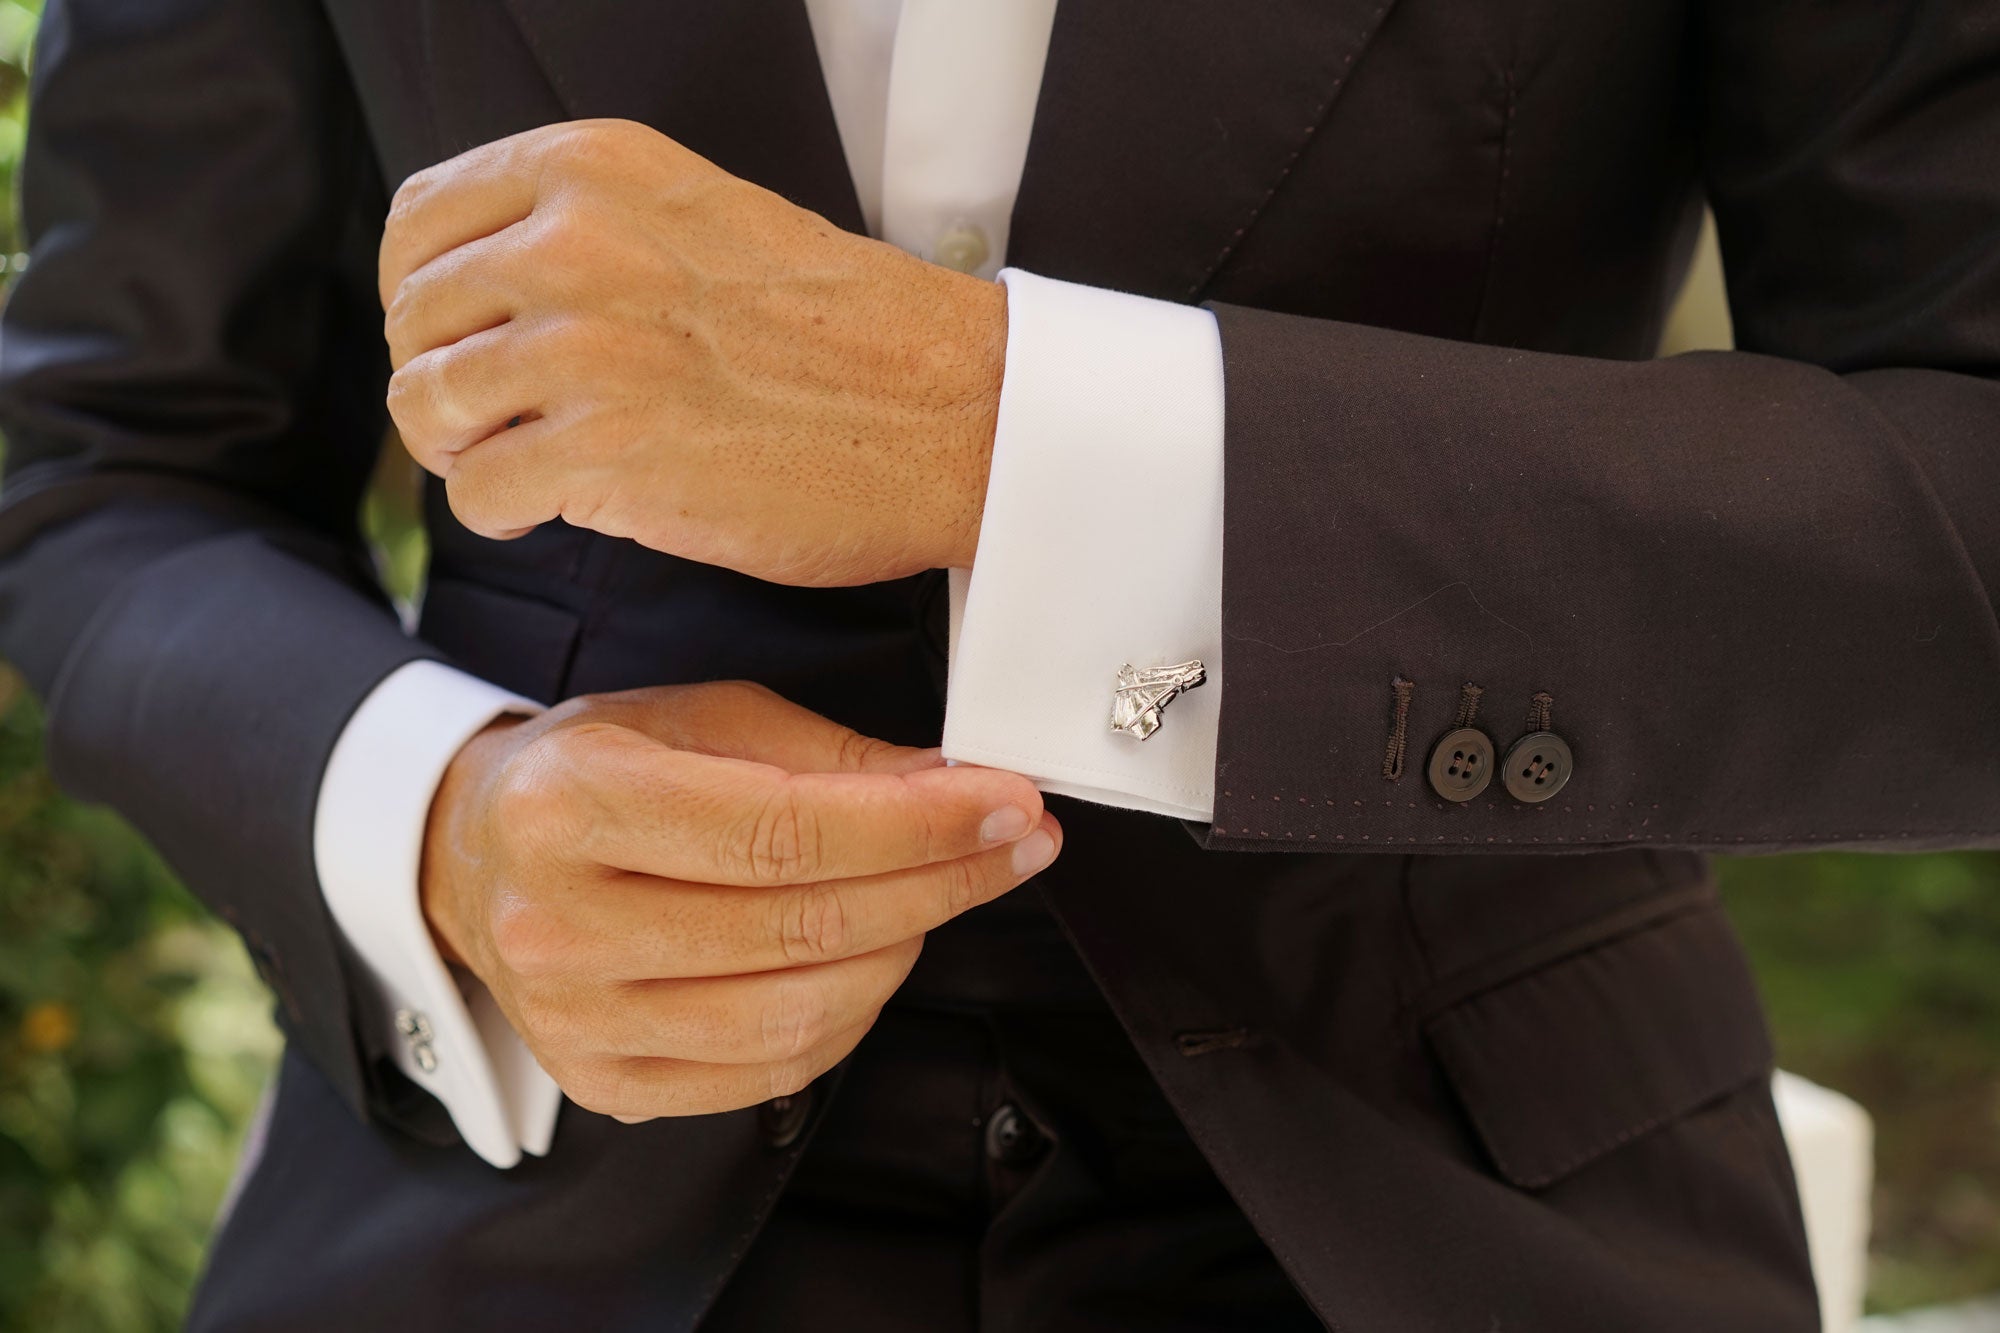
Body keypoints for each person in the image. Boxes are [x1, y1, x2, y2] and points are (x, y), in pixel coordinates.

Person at [3, 0, 1996, 1328]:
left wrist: (999, 424)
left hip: (1459, 1205)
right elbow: (107, 464)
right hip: (515, 1222)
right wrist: (435, 821)